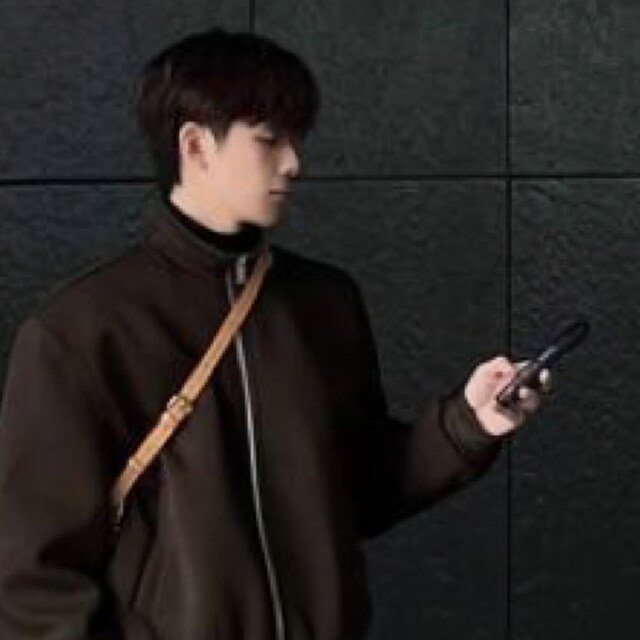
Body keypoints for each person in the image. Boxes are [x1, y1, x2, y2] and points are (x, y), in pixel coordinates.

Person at [0, 28, 550, 640]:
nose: (293, 162)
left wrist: (469, 422)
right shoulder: (81, 331)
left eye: (295, 138)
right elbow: (35, 584)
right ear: (195, 145)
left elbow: (364, 488)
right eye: (269, 139)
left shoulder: (324, 303)